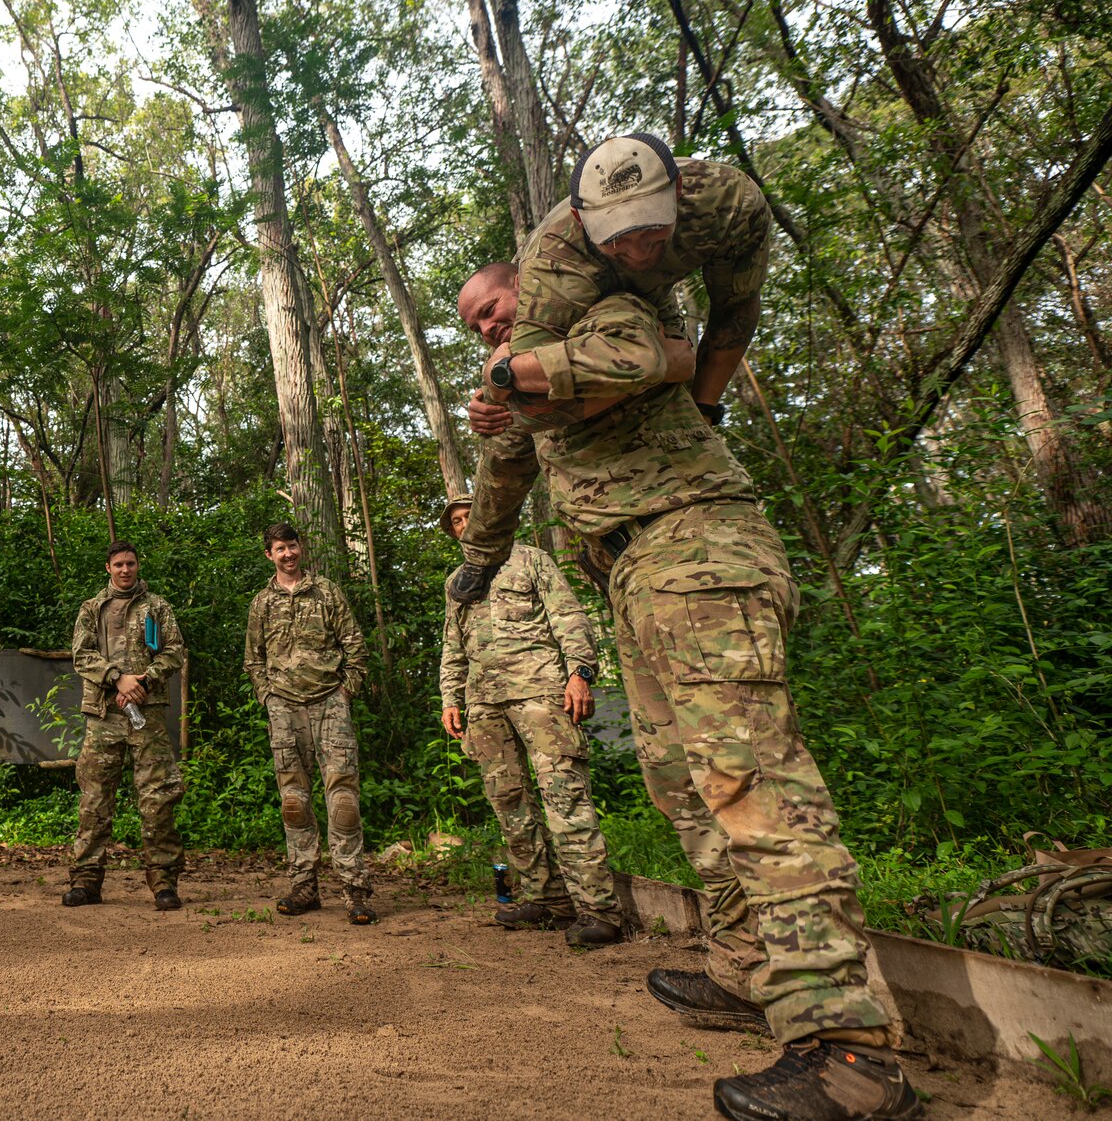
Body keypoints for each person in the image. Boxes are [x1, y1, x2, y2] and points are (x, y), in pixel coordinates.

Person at [449, 269, 918, 1121]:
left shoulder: (604, 315)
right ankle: (745, 967)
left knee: (751, 783)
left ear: (530, 285)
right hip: (632, 572)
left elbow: (658, 356)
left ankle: (853, 1051)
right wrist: (479, 550)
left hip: (698, 545)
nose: (488, 329)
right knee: (679, 782)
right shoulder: (527, 389)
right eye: (475, 326)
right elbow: (501, 485)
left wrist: (513, 380)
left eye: (494, 309)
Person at [459, 131, 768, 446]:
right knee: (511, 444)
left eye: (651, 230)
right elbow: (531, 410)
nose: (638, 252)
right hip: (572, 305)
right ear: (581, 219)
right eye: (616, 240)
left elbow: (735, 311)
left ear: (677, 191)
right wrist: (657, 363)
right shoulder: (554, 257)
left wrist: (705, 407)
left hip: (653, 306)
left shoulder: (729, 202)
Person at [438, 497, 621, 948]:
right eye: (456, 522)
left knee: (565, 798)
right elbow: (453, 645)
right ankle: (548, 899)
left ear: (489, 518)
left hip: (541, 692)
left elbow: (569, 617)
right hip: (485, 704)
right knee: (510, 805)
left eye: (470, 516)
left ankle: (599, 910)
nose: (464, 525)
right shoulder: (458, 582)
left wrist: (580, 672)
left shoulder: (530, 559)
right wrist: (450, 697)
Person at [243, 523, 375, 925]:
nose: (288, 554)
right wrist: (268, 698)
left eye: (293, 546)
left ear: (301, 549)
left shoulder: (327, 592)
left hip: (328, 703)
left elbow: (355, 647)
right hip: (284, 707)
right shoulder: (261, 603)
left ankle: (355, 891)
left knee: (343, 801)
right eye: (280, 548)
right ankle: (304, 886)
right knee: (294, 801)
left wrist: (343, 692)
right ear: (269, 554)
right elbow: (254, 660)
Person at [62, 540, 188, 911]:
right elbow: (82, 655)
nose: (125, 570)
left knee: (157, 800)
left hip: (146, 716)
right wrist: (117, 678)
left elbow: (175, 651)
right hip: (103, 716)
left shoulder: (157, 607)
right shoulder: (91, 608)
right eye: (118, 564)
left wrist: (144, 681)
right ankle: (86, 882)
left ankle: (164, 883)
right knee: (94, 802)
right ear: (108, 568)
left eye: (130, 563)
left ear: (138, 566)